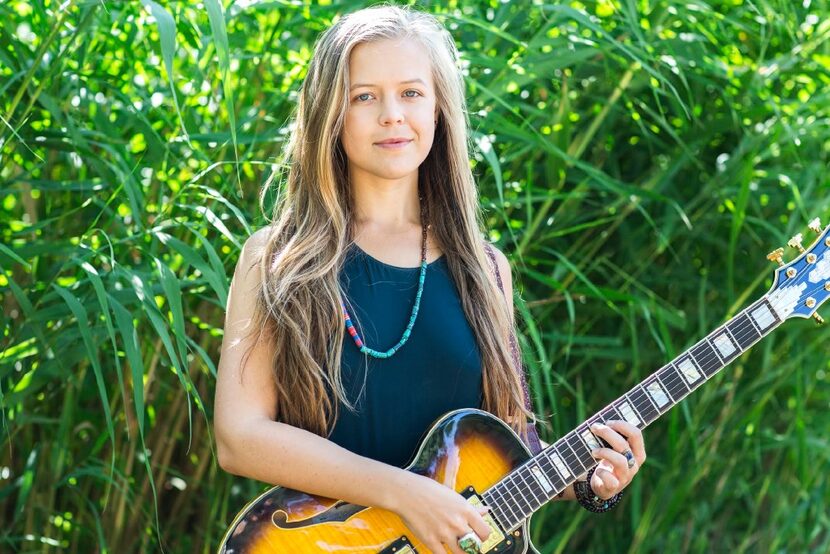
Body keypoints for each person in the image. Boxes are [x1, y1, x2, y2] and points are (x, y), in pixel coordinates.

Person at [214, 5, 646, 553]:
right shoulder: (278, 259)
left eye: (412, 93)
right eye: (364, 96)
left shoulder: (485, 269)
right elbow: (240, 438)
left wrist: (588, 476)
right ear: (330, 114)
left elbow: (511, 450)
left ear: (440, 109)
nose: (392, 114)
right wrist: (403, 493)